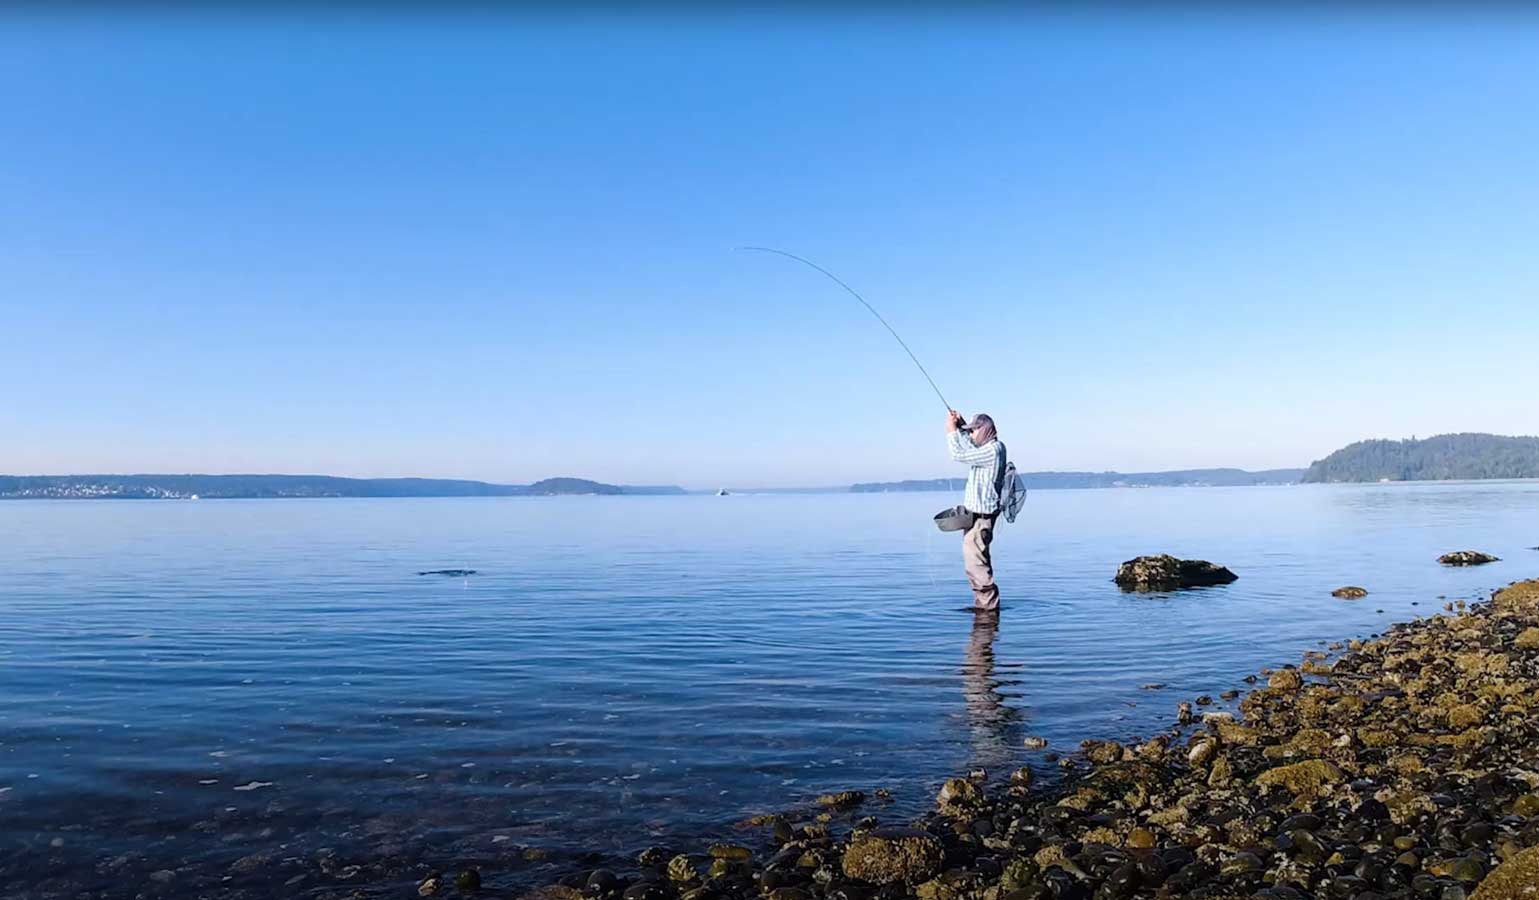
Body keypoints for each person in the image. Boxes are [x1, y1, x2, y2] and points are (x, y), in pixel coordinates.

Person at [946, 409, 1006, 612]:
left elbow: (959, 454)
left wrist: (951, 432)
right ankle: (985, 610)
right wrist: (962, 427)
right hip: (975, 518)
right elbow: (972, 445)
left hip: (981, 520)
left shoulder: (993, 450)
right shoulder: (988, 448)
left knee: (976, 567)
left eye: (974, 431)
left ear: (985, 430)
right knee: (975, 565)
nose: (971, 435)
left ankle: (988, 612)